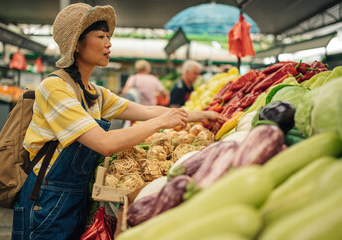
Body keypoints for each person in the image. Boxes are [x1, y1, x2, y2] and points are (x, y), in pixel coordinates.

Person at [12, 3, 224, 239]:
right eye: (101, 36)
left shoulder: (93, 92)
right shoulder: (55, 88)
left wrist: (200, 116)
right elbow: (104, 143)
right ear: (77, 45)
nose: (108, 43)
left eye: (109, 36)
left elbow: (144, 110)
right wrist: (161, 123)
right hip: (46, 199)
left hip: (75, 196)